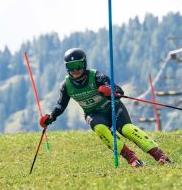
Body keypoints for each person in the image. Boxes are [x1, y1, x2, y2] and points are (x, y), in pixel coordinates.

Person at [39, 48, 171, 167]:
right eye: (71, 67)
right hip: (94, 114)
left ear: (84, 64)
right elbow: (60, 105)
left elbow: (119, 91)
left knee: (127, 129)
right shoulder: (66, 85)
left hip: (112, 107)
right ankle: (132, 158)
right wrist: (50, 117)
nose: (75, 70)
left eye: (78, 65)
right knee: (100, 129)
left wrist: (110, 91)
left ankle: (160, 155)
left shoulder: (97, 76)